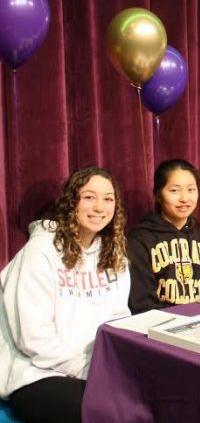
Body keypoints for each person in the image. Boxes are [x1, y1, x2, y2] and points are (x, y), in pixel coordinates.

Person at [0, 167, 130, 423]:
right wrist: (88, 370)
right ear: (72, 202)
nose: (99, 207)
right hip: (36, 375)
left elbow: (119, 320)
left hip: (95, 370)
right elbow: (33, 339)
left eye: (108, 199)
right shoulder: (40, 252)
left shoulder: (115, 255)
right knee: (111, 412)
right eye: (89, 197)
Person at [128, 159, 200, 314]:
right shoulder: (140, 240)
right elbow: (142, 303)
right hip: (158, 327)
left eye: (191, 190)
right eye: (174, 190)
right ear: (158, 194)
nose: (184, 198)